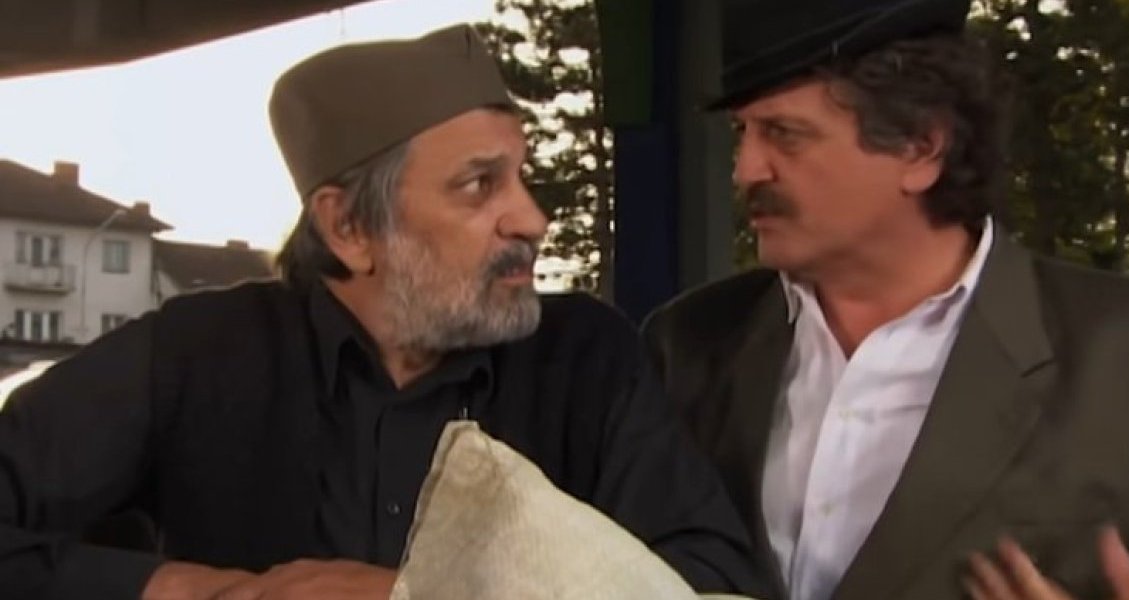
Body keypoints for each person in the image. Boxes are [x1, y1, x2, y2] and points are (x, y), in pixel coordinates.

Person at [0, 24, 767, 600]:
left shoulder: (585, 359)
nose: (532, 219)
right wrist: (177, 588)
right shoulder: (195, 353)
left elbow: (708, 585)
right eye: (480, 185)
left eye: (522, 179)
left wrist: (425, 596)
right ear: (349, 228)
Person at [642, 0, 1129, 599]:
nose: (746, 170)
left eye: (784, 134)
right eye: (742, 133)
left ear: (921, 147)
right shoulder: (685, 345)